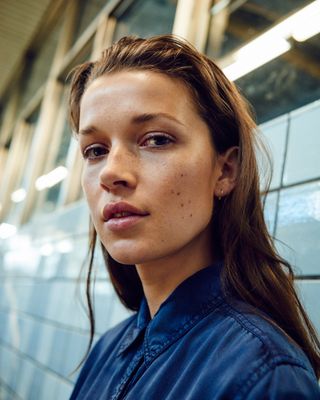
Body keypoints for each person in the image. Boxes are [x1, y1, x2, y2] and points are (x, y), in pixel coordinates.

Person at [68, 35, 320, 399]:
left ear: (225, 171)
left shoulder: (263, 375)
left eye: (156, 140)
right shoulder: (107, 350)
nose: (111, 172)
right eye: (95, 150)